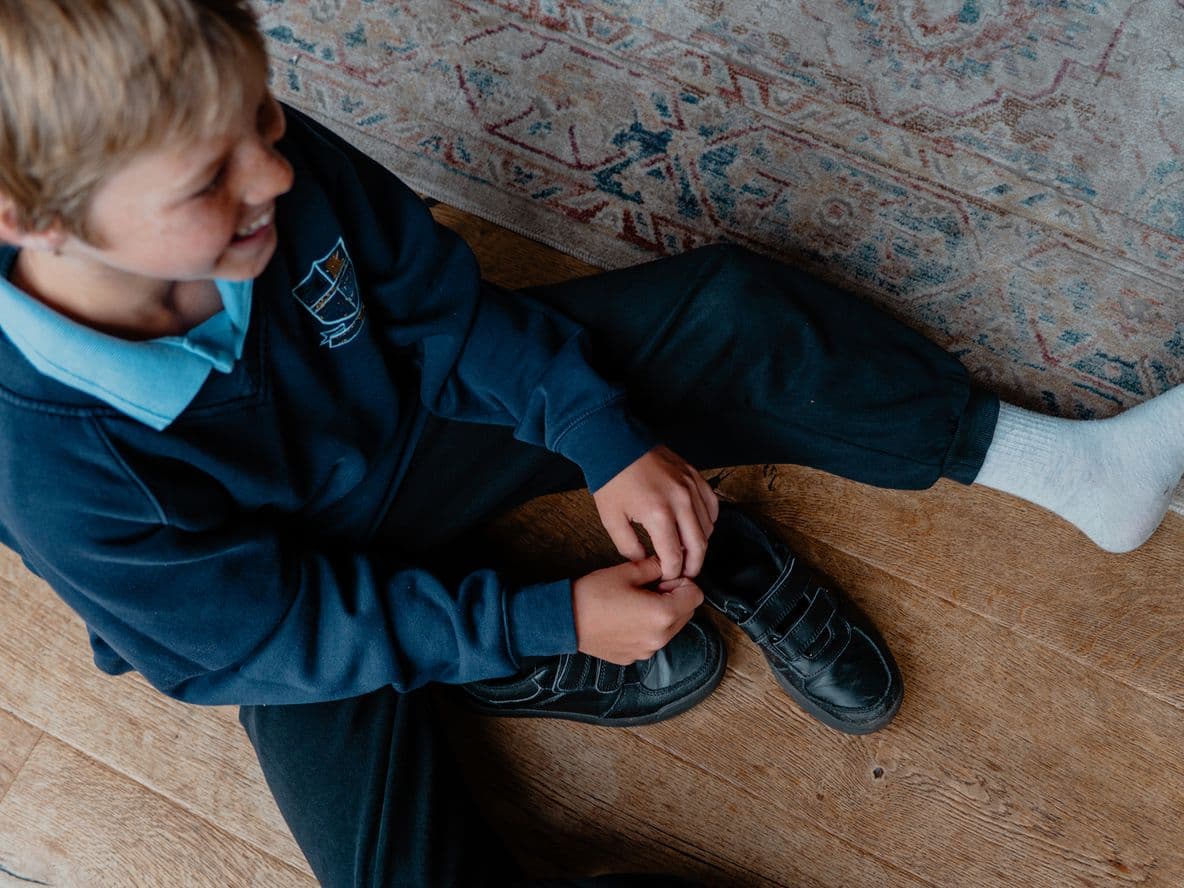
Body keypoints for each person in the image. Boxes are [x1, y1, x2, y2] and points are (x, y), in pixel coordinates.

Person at [0, 1, 1179, 885]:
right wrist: (536, 621)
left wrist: (599, 436)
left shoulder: (258, 168)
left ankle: (1069, 469)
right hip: (292, 605)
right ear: (33, 220)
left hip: (416, 435)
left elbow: (437, 306)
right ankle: (493, 634)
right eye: (213, 175)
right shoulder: (43, 459)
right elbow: (256, 636)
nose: (273, 166)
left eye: (261, 112)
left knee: (728, 314)